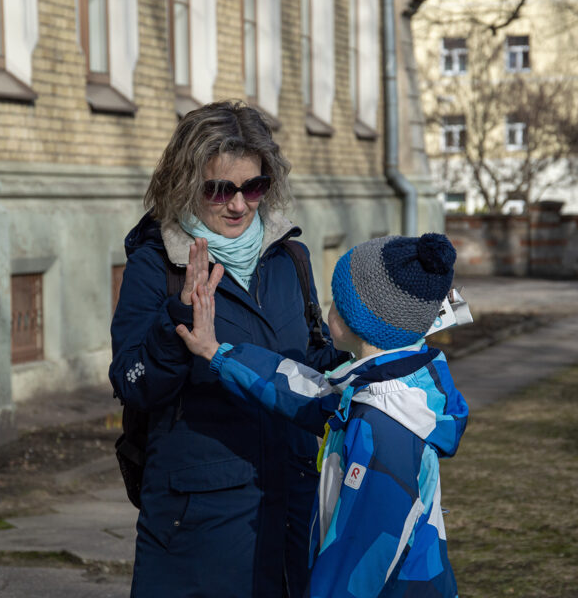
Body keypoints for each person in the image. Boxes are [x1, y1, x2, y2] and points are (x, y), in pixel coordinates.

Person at [109, 101, 347, 597]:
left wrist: (363, 353)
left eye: (253, 187)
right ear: (186, 183)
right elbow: (132, 382)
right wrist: (177, 320)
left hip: (293, 506)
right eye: (220, 189)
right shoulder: (157, 265)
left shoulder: (290, 256)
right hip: (200, 525)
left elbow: (307, 365)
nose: (239, 205)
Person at [177, 232, 469, 598]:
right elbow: (304, 391)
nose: (328, 308)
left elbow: (357, 555)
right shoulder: (384, 386)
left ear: (355, 322)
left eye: (337, 302)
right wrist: (217, 352)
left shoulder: (383, 429)